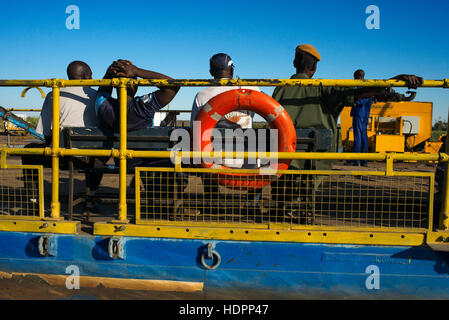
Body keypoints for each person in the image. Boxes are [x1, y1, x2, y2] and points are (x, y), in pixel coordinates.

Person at [271, 44, 423, 220]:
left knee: (283, 194)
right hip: (315, 160)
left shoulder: (279, 89)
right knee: (304, 194)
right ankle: (299, 216)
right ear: (314, 67)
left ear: (294, 62)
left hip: (285, 157)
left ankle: (282, 213)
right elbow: (360, 93)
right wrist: (396, 80)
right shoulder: (324, 88)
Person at [22, 61, 104, 214]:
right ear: (87, 76)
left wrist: (52, 148)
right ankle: (91, 197)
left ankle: (33, 200)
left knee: (28, 151)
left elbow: (45, 130)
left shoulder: (54, 93)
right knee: (102, 154)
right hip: (89, 159)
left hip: (60, 155)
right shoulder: (97, 96)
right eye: (91, 75)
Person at [350, 69, 372, 167]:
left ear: (358, 77)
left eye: (354, 78)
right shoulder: (368, 88)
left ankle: (356, 160)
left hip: (358, 115)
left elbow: (359, 101)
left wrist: (351, 100)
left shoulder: (361, 88)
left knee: (358, 138)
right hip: (364, 115)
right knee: (363, 137)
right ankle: (364, 161)